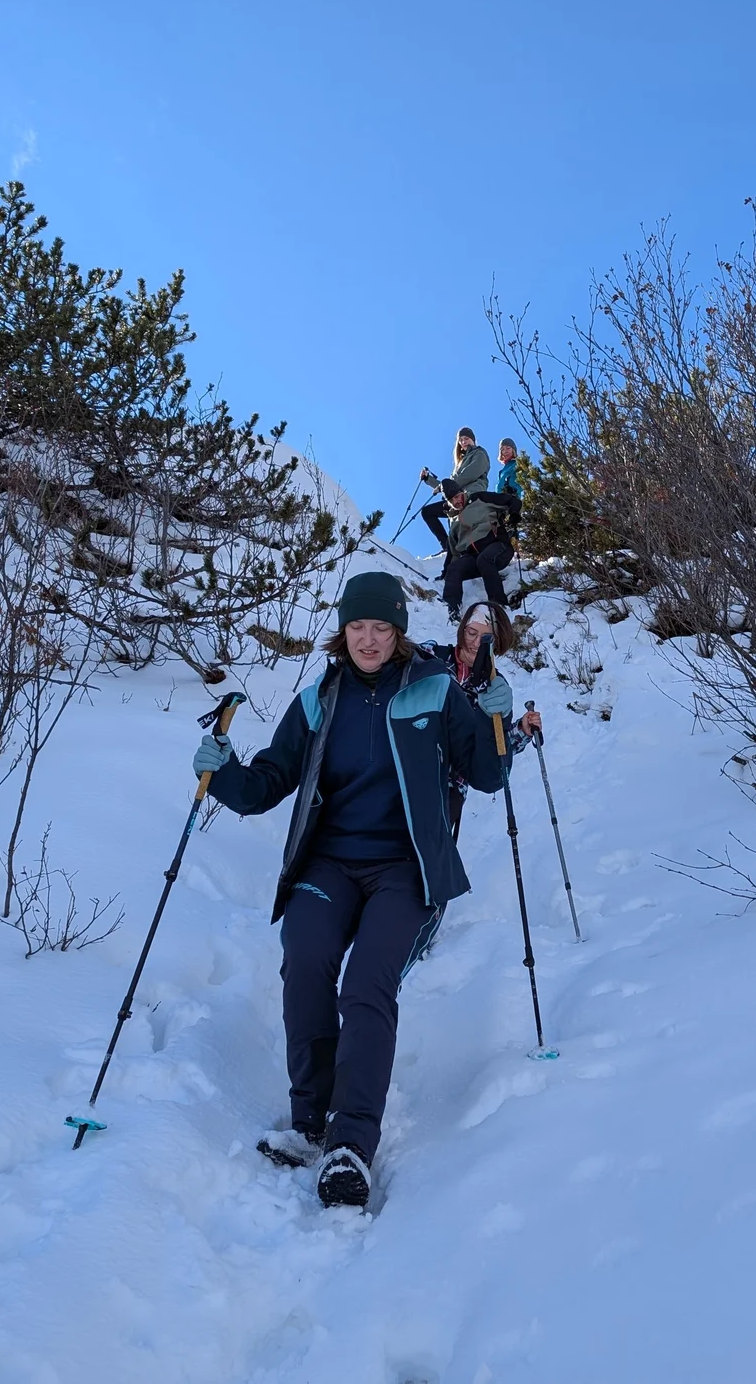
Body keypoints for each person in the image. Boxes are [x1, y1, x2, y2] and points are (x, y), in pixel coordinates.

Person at [193, 570, 513, 1209]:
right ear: (343, 632)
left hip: (408, 868)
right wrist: (220, 773)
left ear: (399, 633)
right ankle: (310, 1121)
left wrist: (494, 722)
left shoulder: (433, 691)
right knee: (306, 960)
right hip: (331, 864)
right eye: (357, 626)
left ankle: (350, 1144)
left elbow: (486, 776)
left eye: (381, 627)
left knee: (367, 981)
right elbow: (265, 785)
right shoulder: (318, 701)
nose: (368, 639)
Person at [421, 602, 541, 837]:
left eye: (486, 638)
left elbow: (491, 748)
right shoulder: (431, 657)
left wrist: (520, 730)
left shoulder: (496, 686)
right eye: (471, 633)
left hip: (450, 786)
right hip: (409, 766)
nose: (476, 643)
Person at [439, 475, 517, 621]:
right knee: (455, 568)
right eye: (452, 500)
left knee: (484, 559)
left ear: (462, 492)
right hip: (473, 556)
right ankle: (451, 608)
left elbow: (510, 501)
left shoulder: (479, 499)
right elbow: (453, 552)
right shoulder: (454, 523)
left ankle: (499, 604)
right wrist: (445, 572)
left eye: (457, 496)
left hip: (498, 546)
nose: (457, 501)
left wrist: (514, 515)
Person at [418, 428, 491, 553]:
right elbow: (449, 485)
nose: (463, 442)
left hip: (471, 495)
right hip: (456, 498)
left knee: (461, 522)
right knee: (427, 512)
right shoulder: (460, 462)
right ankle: (448, 546)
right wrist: (428, 479)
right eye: (461, 440)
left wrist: (446, 487)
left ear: (473, 440)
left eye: (466, 439)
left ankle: (466, 548)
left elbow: (470, 474)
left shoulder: (479, 453)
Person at [495, 438, 524, 504]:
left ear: (513, 450)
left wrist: (514, 489)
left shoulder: (518, 464)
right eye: (502, 449)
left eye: (508, 448)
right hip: (500, 500)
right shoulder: (502, 472)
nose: (505, 451)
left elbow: (524, 480)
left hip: (513, 498)